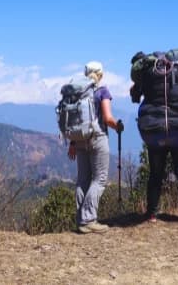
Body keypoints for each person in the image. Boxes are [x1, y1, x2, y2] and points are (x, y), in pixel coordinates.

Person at [130, 49, 178, 224]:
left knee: (156, 173)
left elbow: (134, 97)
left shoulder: (148, 73)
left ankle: (152, 213)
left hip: (155, 130)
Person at [67, 61, 124, 234]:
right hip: (98, 138)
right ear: (100, 74)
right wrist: (118, 126)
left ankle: (81, 221)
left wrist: (72, 143)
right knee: (99, 179)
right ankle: (89, 219)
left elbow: (74, 121)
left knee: (83, 179)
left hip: (80, 139)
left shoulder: (78, 93)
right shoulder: (102, 91)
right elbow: (107, 118)